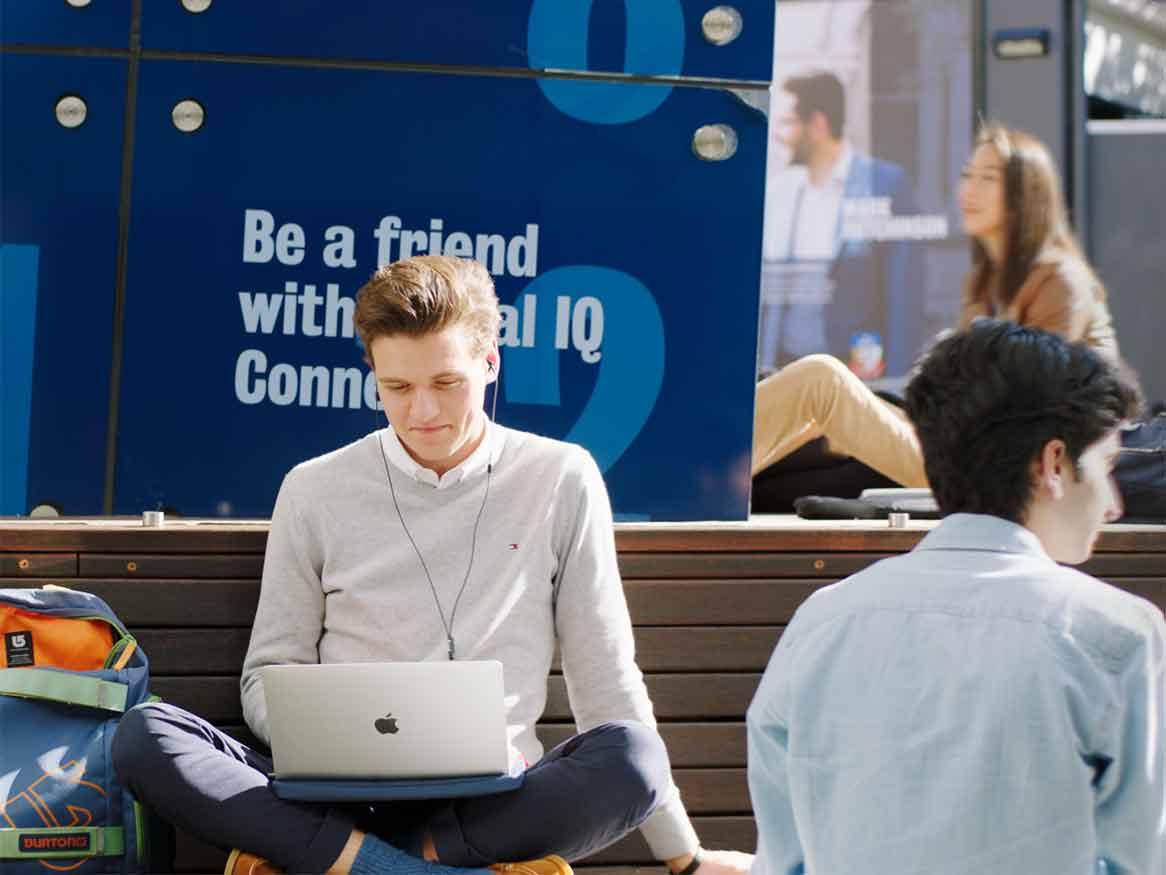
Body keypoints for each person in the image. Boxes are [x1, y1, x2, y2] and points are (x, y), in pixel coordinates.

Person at [112, 256, 754, 875]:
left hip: (488, 808)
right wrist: (335, 740)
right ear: (371, 373)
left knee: (633, 755)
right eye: (397, 387)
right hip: (338, 801)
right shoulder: (313, 488)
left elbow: (606, 683)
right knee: (145, 735)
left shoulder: (561, 477)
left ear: (490, 363)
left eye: (447, 383)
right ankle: (400, 868)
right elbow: (266, 678)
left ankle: (363, 867)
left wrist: (686, 858)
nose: (422, 411)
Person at [747, 320, 1165, 873]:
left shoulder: (819, 625)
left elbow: (784, 860)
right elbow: (1141, 859)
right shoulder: (1118, 636)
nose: (1113, 503)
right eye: (1107, 466)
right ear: (1053, 464)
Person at [752, 122, 1119, 489]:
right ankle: (716, 473)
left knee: (822, 381)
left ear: (1027, 195)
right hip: (965, 447)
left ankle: (700, 473)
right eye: (967, 175)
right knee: (797, 393)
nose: (969, 190)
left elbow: (1031, 408)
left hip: (1003, 472)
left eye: (988, 178)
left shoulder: (1060, 280)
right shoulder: (984, 282)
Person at [758, 70, 920, 376]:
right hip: (783, 370)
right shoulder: (779, 191)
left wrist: (897, 386)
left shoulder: (884, 183)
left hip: (854, 376)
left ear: (817, 124)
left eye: (787, 122)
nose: (778, 133)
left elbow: (903, 297)